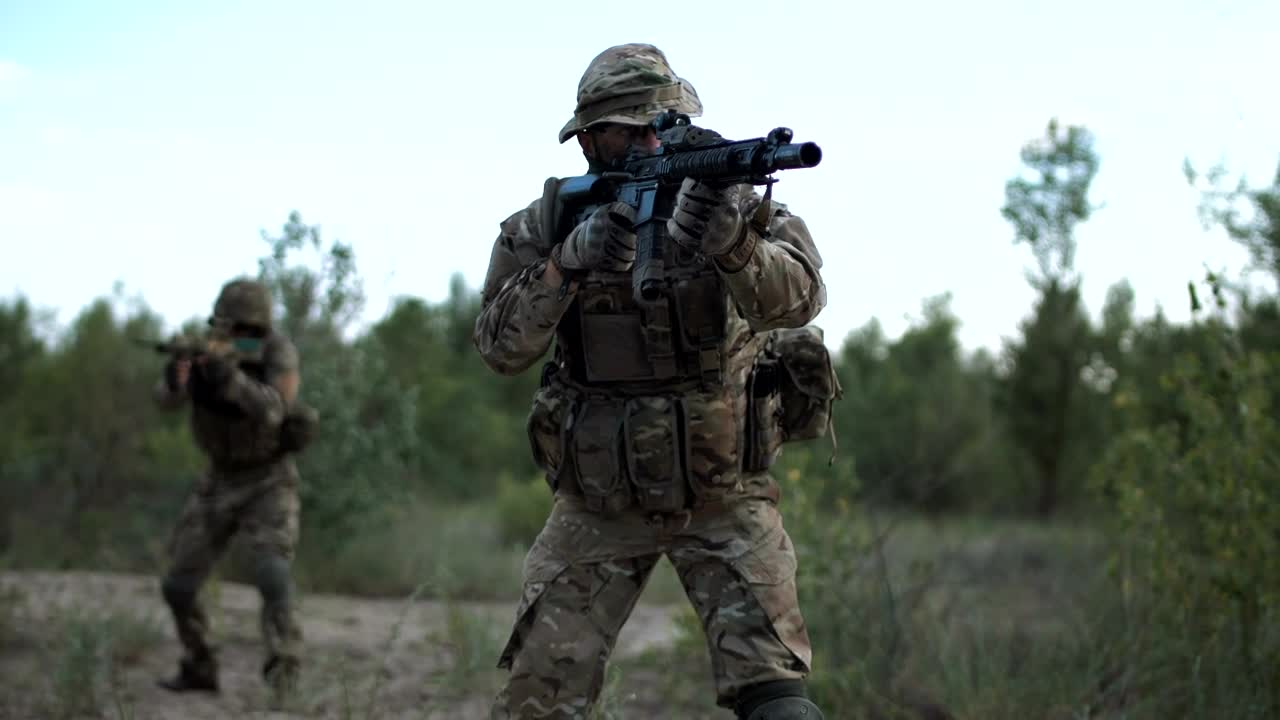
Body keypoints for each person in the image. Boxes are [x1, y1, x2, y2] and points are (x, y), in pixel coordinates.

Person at [474, 43, 831, 720]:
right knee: (538, 702)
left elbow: (799, 302)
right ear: (587, 142)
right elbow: (500, 347)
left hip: (724, 495)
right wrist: (564, 268)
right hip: (598, 505)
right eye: (629, 128)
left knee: (777, 701)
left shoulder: (731, 205)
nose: (648, 141)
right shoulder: (548, 225)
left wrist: (734, 244)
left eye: (660, 124)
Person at [152, 277, 314, 702]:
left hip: (268, 479)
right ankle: (198, 664)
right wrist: (177, 380)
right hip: (218, 479)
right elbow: (165, 401)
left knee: (272, 575)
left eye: (249, 331)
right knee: (178, 585)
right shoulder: (205, 352)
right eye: (232, 328)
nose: (239, 338)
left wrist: (230, 380)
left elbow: (275, 409)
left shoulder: (278, 352)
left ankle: (284, 682)